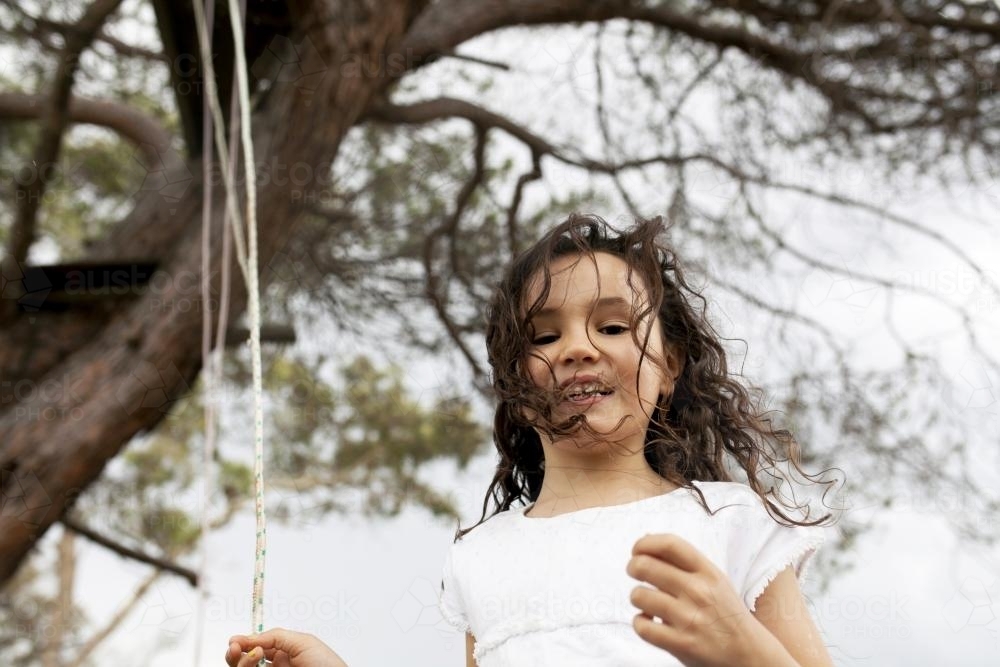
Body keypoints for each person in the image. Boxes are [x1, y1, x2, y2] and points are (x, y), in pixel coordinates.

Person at [226, 213, 840, 667]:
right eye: (543, 337)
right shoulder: (481, 554)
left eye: (613, 325)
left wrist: (745, 651)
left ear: (671, 365)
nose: (576, 347)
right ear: (516, 381)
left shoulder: (729, 522)